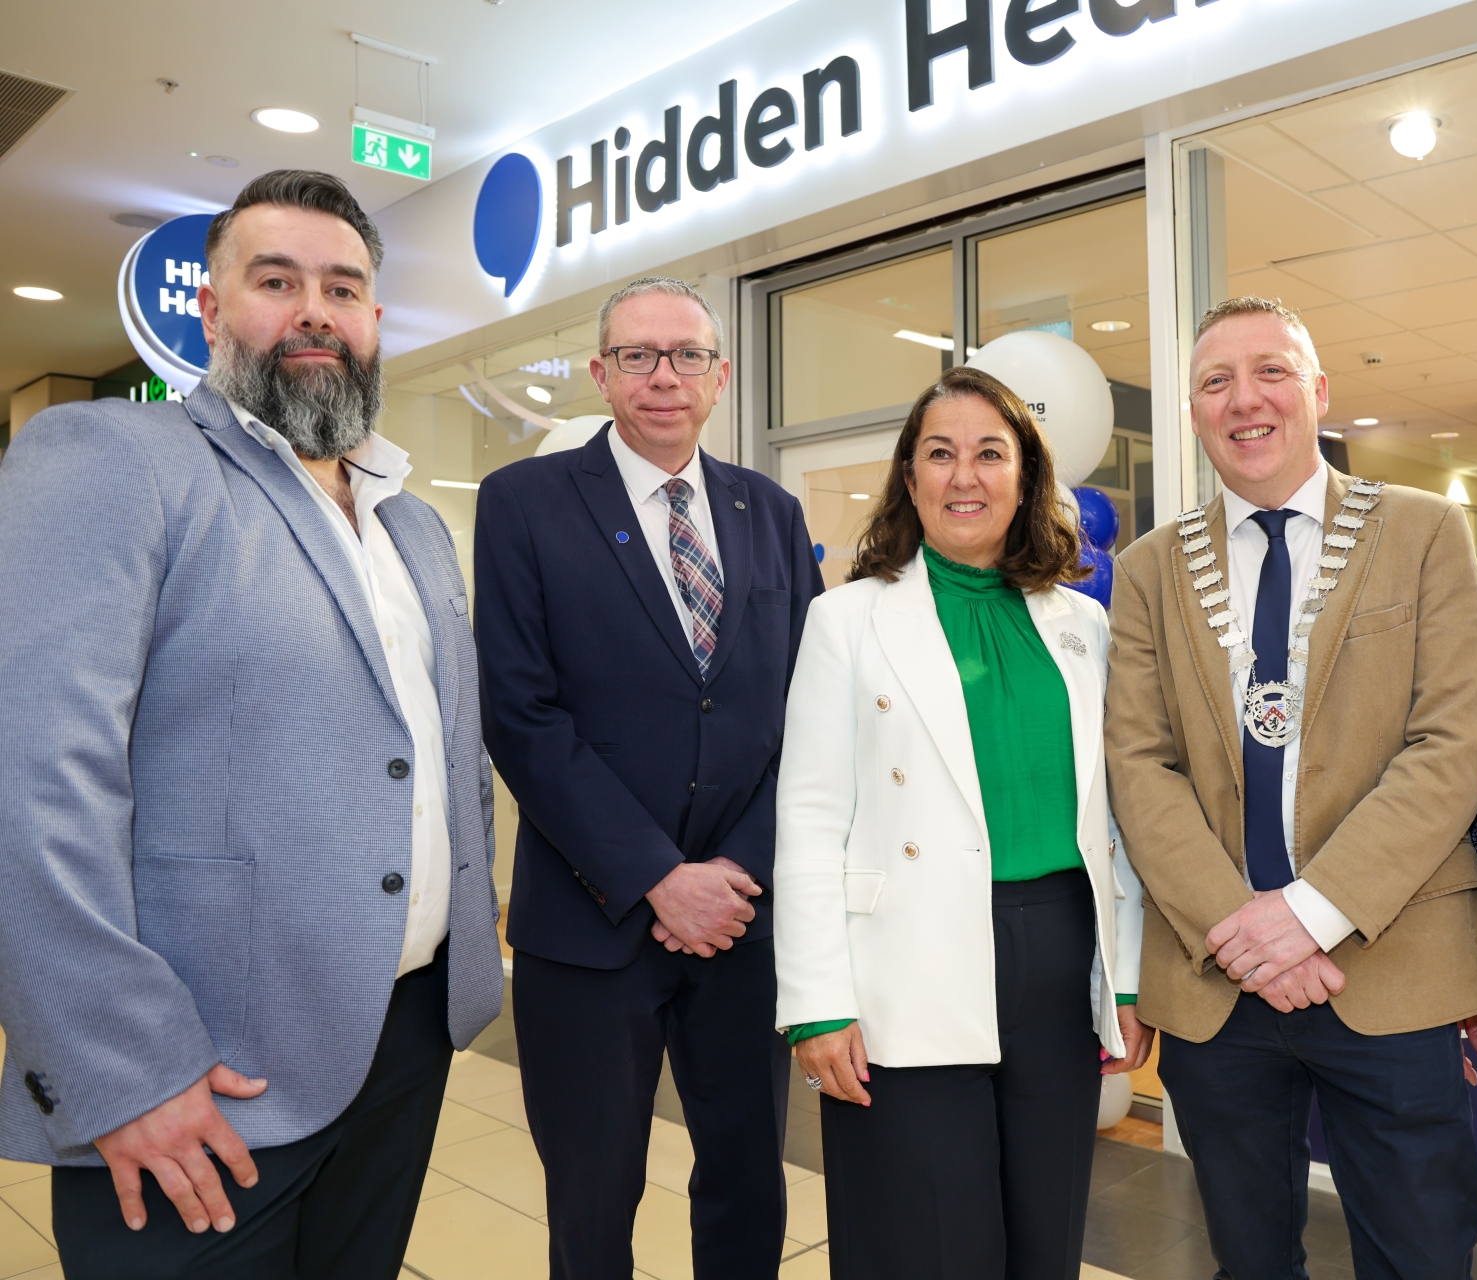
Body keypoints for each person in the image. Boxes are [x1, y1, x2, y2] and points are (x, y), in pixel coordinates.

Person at [0, 169, 503, 1278]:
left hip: (404, 1041)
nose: (315, 310)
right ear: (211, 310)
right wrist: (121, 1067)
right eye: (277, 282)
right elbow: (32, 781)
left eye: (343, 288)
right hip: (203, 1074)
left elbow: (440, 756)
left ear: (375, 318)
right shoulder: (117, 461)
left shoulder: (414, 525)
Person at [1105, 296, 1477, 1280]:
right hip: (1217, 980)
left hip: (1390, 964)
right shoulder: (1148, 569)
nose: (1245, 399)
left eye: (1270, 371)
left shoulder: (1422, 532)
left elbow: (1450, 744)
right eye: (1216, 381)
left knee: (1419, 1257)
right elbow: (1140, 766)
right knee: (1248, 1258)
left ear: (1318, 390)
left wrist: (1310, 915)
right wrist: (1243, 929)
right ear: (1195, 412)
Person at [475, 276, 823, 1279]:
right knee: (592, 1199)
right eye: (638, 355)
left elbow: (812, 711)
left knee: (748, 1181)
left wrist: (736, 870)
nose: (663, 376)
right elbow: (521, 715)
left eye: (686, 356)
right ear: (601, 372)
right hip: (591, 924)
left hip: (742, 924)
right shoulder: (524, 503)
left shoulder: (770, 511)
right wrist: (659, 876)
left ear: (720, 376)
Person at [775, 364, 1151, 1279]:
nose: (965, 476)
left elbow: (1118, 816)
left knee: (1044, 1238)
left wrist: (1128, 980)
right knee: (925, 1244)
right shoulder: (846, 620)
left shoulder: (1082, 626)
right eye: (940, 454)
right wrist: (817, 1002)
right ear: (910, 479)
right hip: (906, 961)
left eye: (991, 453)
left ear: (1027, 477)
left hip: (1059, 957)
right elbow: (810, 816)